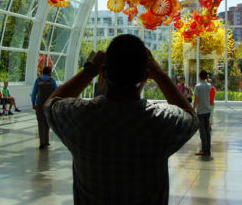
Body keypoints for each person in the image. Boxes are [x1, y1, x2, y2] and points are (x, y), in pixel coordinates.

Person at [44, 34, 198, 204]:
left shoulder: (80, 117)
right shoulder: (161, 121)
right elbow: (191, 117)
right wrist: (160, 74)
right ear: (147, 75)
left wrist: (90, 69)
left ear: (102, 72)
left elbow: (51, 103)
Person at [31, 66, 57, 148]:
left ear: (42, 72)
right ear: (50, 73)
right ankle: (47, 141)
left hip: (39, 104)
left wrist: (33, 103)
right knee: (47, 122)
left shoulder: (38, 80)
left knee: (40, 122)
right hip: (48, 105)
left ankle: (42, 142)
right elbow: (56, 93)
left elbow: (34, 93)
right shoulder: (52, 81)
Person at [193, 70, 212, 157]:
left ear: (199, 75)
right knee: (207, 130)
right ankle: (207, 149)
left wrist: (193, 109)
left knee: (202, 131)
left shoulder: (198, 86)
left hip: (201, 111)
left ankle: (204, 150)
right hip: (208, 110)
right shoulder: (209, 85)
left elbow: (196, 99)